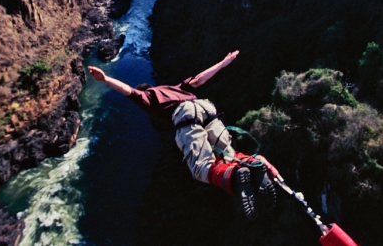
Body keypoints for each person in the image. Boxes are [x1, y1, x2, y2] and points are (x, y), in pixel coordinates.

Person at [88, 50, 275, 221]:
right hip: (206, 108)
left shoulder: (149, 97)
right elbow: (199, 80)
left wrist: (105, 79)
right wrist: (224, 62)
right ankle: (254, 165)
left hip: (186, 116)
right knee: (228, 155)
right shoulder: (173, 88)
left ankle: (235, 176)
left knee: (201, 168)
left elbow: (128, 91)